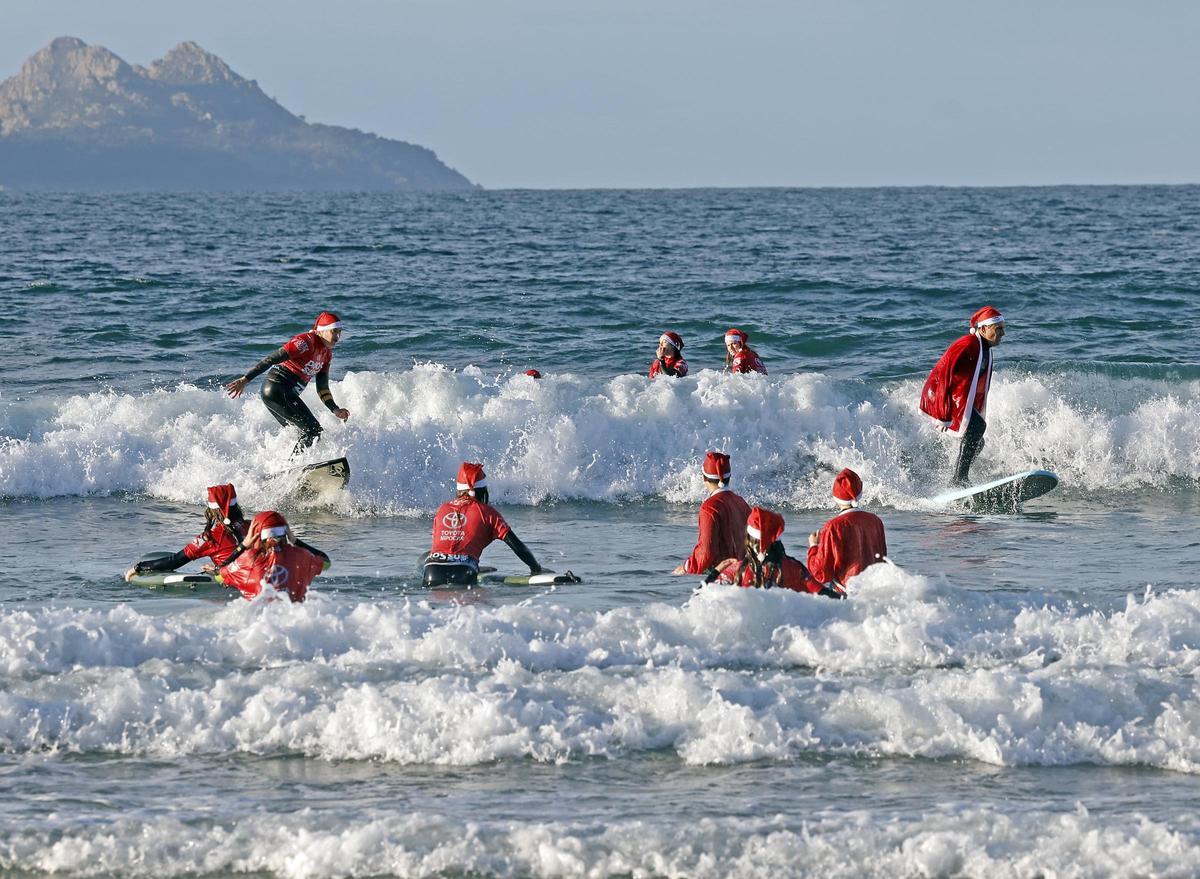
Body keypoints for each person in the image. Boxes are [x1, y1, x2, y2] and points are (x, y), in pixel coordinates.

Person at [224, 311, 350, 455]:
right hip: (277, 388)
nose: (338, 336)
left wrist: (335, 409)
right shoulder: (306, 341)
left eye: (340, 332)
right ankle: (294, 469)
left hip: (280, 394)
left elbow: (322, 387)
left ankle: (283, 469)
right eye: (334, 331)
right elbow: (272, 358)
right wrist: (246, 379)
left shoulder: (326, 354)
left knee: (299, 433)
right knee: (313, 430)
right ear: (321, 331)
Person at [919, 306, 1006, 485]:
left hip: (955, 396)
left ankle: (958, 478)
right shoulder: (968, 343)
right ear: (983, 329)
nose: (1003, 333)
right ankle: (959, 479)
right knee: (977, 427)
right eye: (998, 329)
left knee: (977, 441)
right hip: (941, 395)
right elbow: (943, 373)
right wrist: (942, 412)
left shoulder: (985, 348)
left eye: (1003, 329)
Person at [423, 462, 544, 587]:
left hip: (432, 569)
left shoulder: (442, 509)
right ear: (483, 491)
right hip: (464, 570)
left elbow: (452, 544)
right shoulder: (488, 512)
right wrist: (536, 568)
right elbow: (517, 545)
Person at [123, 484, 248, 581]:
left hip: (234, 584)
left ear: (212, 511)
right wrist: (217, 569)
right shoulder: (252, 526)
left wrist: (138, 567)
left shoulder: (209, 539)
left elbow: (173, 561)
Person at [708, 507, 841, 597]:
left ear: (748, 539)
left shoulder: (735, 571)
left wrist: (717, 571)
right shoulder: (794, 569)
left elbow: (699, 599)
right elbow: (827, 596)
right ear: (777, 540)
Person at [216, 510, 329, 602]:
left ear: (256, 535)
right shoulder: (302, 556)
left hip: (262, 622)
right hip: (295, 620)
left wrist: (244, 544)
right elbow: (326, 562)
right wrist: (295, 541)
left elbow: (219, 575)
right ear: (286, 534)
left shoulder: (248, 560)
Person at [806, 468, 888, 594]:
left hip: (845, 592)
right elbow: (882, 560)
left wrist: (813, 547)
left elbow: (821, 574)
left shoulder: (833, 526)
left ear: (835, 496)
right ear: (860, 492)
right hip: (873, 591)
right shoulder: (875, 521)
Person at [672, 451, 751, 575]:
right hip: (743, 573)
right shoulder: (741, 502)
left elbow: (706, 552)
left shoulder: (709, 508)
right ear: (729, 477)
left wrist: (686, 568)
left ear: (704, 478)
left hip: (723, 576)